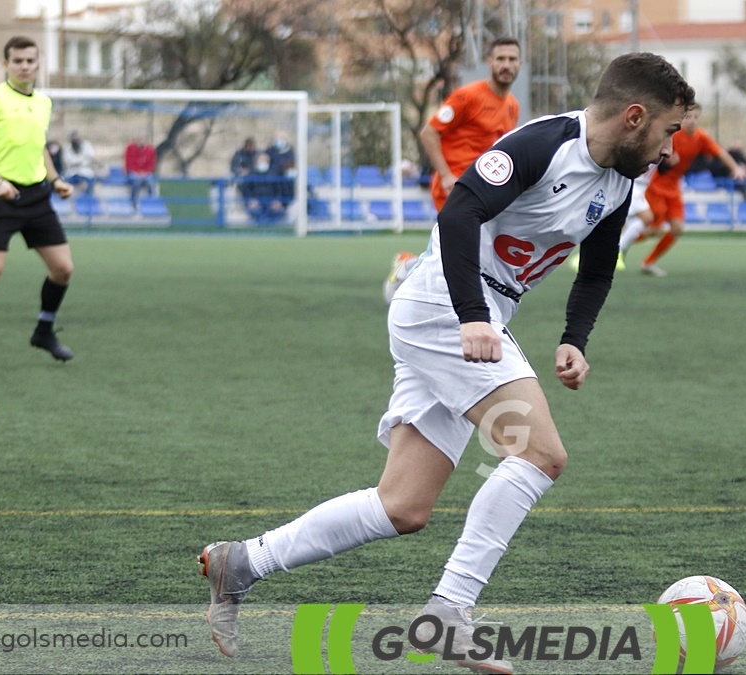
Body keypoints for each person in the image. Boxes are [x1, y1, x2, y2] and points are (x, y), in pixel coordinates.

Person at [198, 52, 695, 674]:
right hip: (447, 306)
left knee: (402, 506)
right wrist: (471, 316)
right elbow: (459, 212)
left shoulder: (621, 180)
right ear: (633, 116)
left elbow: (596, 268)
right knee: (541, 454)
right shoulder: (540, 146)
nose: (670, 150)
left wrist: (575, 337)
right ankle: (448, 615)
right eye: (669, 131)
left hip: (477, 313)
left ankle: (240, 562)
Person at [0, 36, 76, 371]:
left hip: (37, 197)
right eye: (18, 61)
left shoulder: (43, 103)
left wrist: (56, 180)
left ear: (38, 64)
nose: (24, 66)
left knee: (63, 269)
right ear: (5, 64)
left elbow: (37, 149)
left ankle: (44, 331)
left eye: (30, 61)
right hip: (0, 199)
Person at [638, 104, 746, 276]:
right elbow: (651, 153)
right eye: (688, 117)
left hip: (674, 187)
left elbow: (721, 154)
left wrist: (735, 169)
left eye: (696, 117)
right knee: (655, 229)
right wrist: (665, 159)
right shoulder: (672, 135)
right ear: (682, 118)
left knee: (677, 228)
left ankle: (648, 262)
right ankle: (617, 245)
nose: (692, 121)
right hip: (657, 186)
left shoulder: (700, 138)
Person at [419, 37, 521, 214]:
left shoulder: (513, 105)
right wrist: (445, 176)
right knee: (461, 240)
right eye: (500, 59)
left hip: (485, 188)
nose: (506, 65)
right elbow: (429, 133)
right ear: (489, 62)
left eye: (512, 59)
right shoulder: (467, 96)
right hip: (457, 187)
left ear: (520, 63)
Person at [239, 152, 293, 224]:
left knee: (278, 213)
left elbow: (280, 189)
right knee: (256, 212)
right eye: (261, 160)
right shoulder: (251, 174)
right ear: (256, 161)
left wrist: (278, 201)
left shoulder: (275, 174)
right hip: (256, 203)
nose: (263, 163)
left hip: (272, 202)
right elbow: (246, 190)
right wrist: (250, 201)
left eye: (266, 161)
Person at [124, 135, 157, 210]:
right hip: (133, 173)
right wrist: (137, 172)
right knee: (136, 181)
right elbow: (129, 164)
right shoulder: (130, 148)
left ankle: (151, 203)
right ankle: (134, 202)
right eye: (139, 139)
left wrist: (144, 172)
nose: (140, 142)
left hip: (146, 173)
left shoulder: (150, 150)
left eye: (142, 140)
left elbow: (151, 164)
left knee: (150, 181)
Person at [62, 129, 97, 194]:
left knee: (90, 179)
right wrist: (79, 161)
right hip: (72, 171)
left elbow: (91, 156)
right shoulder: (67, 147)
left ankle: (88, 194)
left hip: (85, 169)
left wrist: (80, 161)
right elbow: (67, 160)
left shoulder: (86, 145)